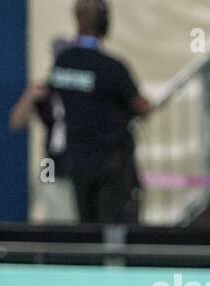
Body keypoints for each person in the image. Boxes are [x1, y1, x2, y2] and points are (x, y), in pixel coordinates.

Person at [45, 0, 149, 224]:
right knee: (112, 223)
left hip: (76, 158)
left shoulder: (63, 61)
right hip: (110, 160)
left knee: (87, 223)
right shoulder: (112, 67)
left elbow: (52, 94)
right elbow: (140, 106)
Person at [8, 77, 77, 223]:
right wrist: (29, 97)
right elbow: (16, 123)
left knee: (74, 210)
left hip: (80, 160)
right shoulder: (48, 90)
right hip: (50, 160)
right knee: (50, 204)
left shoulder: (86, 90)